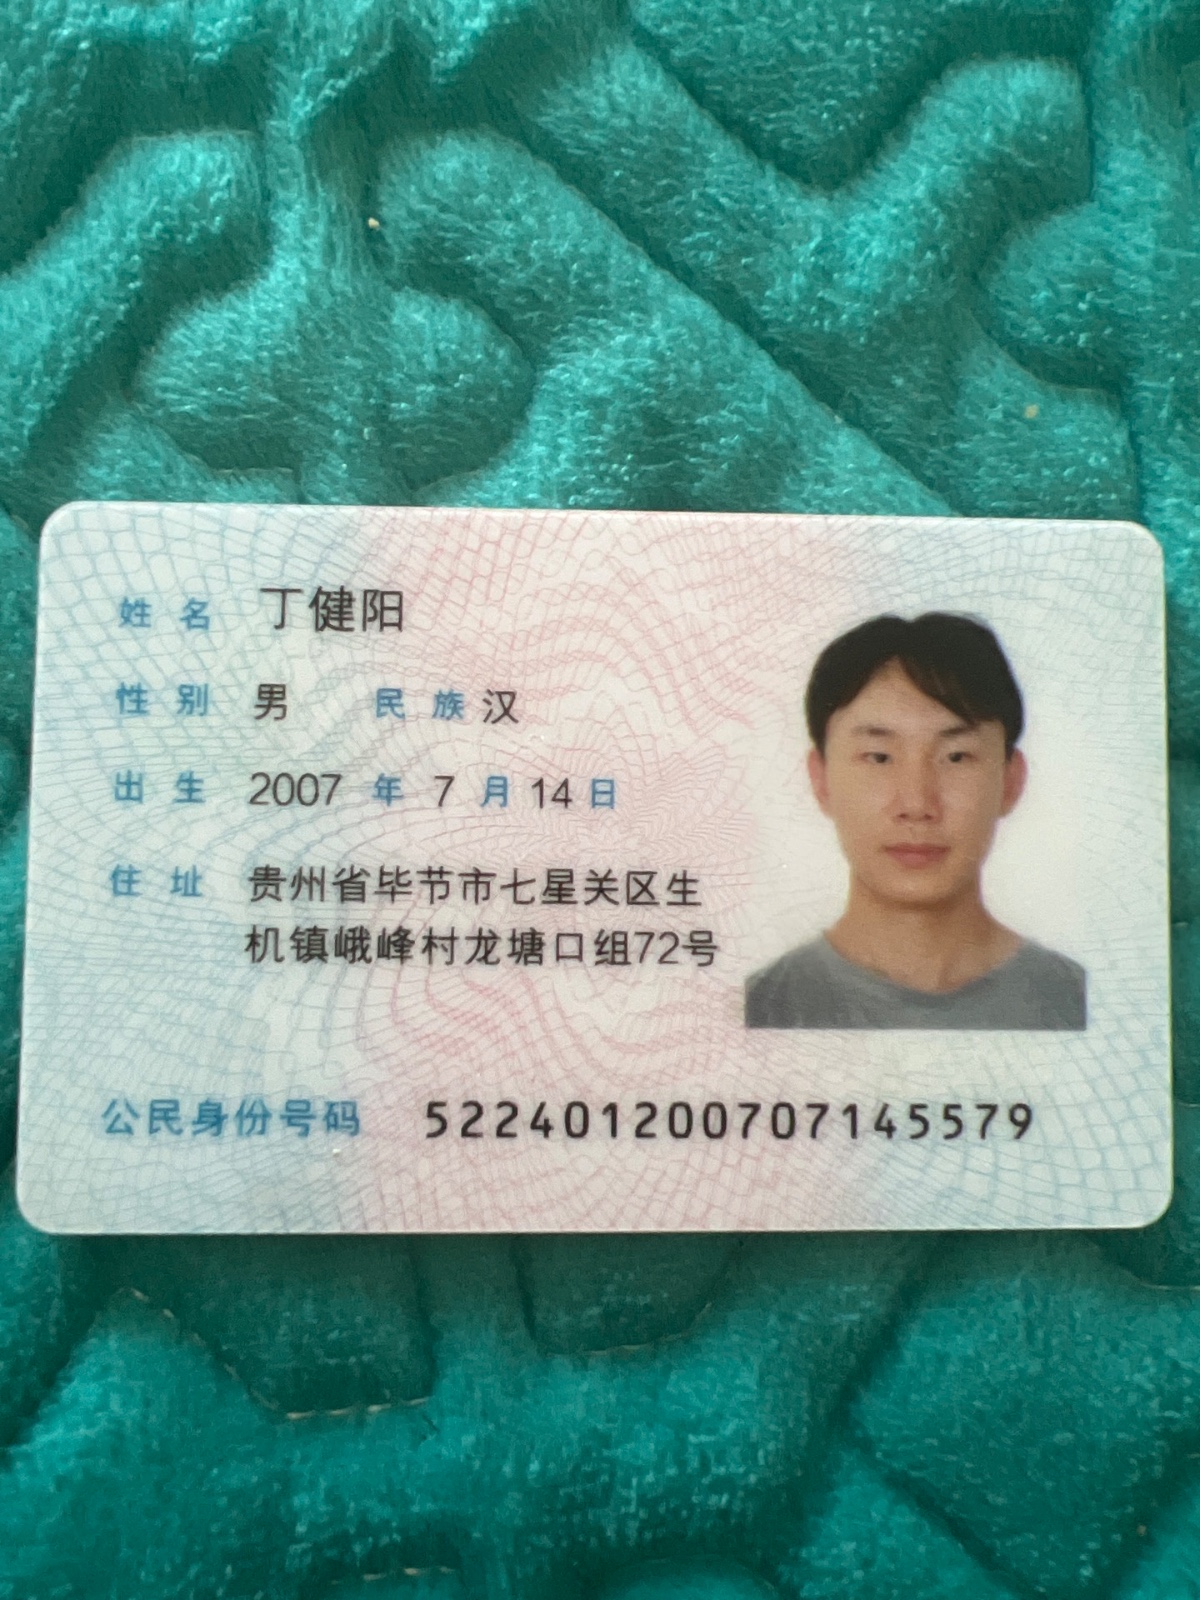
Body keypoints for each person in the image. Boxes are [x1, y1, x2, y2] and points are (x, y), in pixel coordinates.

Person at [744, 612, 1086, 1029]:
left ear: (1011, 781)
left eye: (956, 757)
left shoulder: (1076, 1002)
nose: (917, 804)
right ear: (821, 780)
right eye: (879, 757)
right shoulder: (763, 1006)